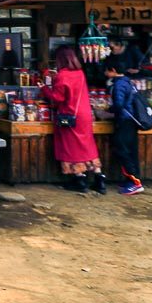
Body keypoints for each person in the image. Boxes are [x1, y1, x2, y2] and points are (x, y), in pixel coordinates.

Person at [40, 46, 106, 194]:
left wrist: (44, 88)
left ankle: (80, 180)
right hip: (85, 115)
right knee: (88, 145)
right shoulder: (80, 73)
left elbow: (58, 98)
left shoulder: (62, 76)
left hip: (69, 116)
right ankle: (99, 179)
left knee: (71, 147)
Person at [105, 61, 144, 196]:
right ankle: (132, 179)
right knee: (131, 151)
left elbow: (119, 105)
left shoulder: (119, 84)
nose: (105, 74)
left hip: (125, 121)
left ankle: (135, 183)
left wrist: (107, 110)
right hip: (132, 121)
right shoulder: (127, 81)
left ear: (113, 70)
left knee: (122, 150)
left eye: (107, 71)